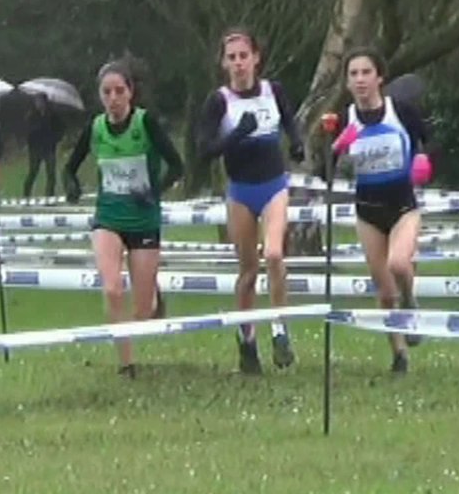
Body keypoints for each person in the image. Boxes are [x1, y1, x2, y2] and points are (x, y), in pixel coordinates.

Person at [62, 59, 184, 379]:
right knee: (113, 289)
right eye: (106, 92)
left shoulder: (146, 124)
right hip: (109, 218)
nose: (113, 98)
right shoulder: (95, 128)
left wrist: (154, 190)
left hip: (144, 220)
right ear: (100, 96)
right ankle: (127, 364)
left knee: (143, 312)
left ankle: (153, 294)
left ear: (131, 93)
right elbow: (69, 167)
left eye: (119, 91)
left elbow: (177, 166)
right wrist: (71, 185)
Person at [197, 27, 305, 375]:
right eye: (232, 58)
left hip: (274, 184)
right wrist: (235, 135)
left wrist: (297, 142)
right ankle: (246, 340)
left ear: (256, 58)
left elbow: (289, 119)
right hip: (241, 190)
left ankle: (280, 330)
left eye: (244, 56)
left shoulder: (273, 90)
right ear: (224, 63)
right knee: (248, 271)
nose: (239, 63)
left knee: (274, 254)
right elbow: (204, 151)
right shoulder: (218, 101)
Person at [330, 47, 431, 376]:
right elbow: (324, 169)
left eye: (365, 73)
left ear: (379, 77)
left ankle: (411, 302)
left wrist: (423, 161)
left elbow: (430, 141)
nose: (360, 80)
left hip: (403, 206)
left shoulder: (399, 110)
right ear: (347, 82)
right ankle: (399, 354)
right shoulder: (345, 118)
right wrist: (335, 148)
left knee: (399, 264)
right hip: (368, 211)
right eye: (353, 74)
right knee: (384, 292)